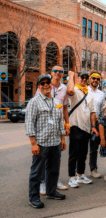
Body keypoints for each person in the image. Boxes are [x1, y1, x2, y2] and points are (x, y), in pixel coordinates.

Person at [26, 74, 67, 208]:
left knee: (53, 170)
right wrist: (33, 143)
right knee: (37, 172)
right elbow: (29, 124)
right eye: (42, 83)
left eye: (47, 82)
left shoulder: (56, 102)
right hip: (41, 143)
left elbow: (60, 121)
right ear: (39, 86)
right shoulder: (34, 102)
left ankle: (51, 191)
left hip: (55, 142)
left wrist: (62, 138)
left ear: (51, 84)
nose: (45, 85)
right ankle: (33, 197)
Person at [35, 65, 69, 195]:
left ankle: (54, 182)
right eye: (55, 71)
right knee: (43, 156)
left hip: (57, 126)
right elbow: (37, 103)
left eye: (61, 72)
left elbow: (65, 108)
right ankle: (42, 183)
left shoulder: (64, 88)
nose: (58, 73)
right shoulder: (44, 85)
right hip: (44, 127)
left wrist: (67, 125)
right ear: (51, 72)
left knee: (56, 157)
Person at [67, 70, 99, 188]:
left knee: (83, 154)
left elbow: (92, 112)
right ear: (78, 78)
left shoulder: (89, 94)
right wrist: (71, 76)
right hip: (75, 126)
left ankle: (80, 175)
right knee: (73, 154)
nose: (84, 79)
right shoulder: (74, 90)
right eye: (82, 77)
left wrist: (93, 126)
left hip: (86, 128)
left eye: (86, 77)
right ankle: (71, 177)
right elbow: (69, 91)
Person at [88, 71, 105, 178]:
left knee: (94, 148)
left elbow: (103, 109)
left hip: (97, 123)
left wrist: (101, 117)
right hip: (85, 122)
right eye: (93, 78)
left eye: (97, 79)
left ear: (99, 81)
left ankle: (93, 169)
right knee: (81, 148)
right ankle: (78, 171)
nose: (95, 80)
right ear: (90, 79)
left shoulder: (101, 94)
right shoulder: (84, 91)